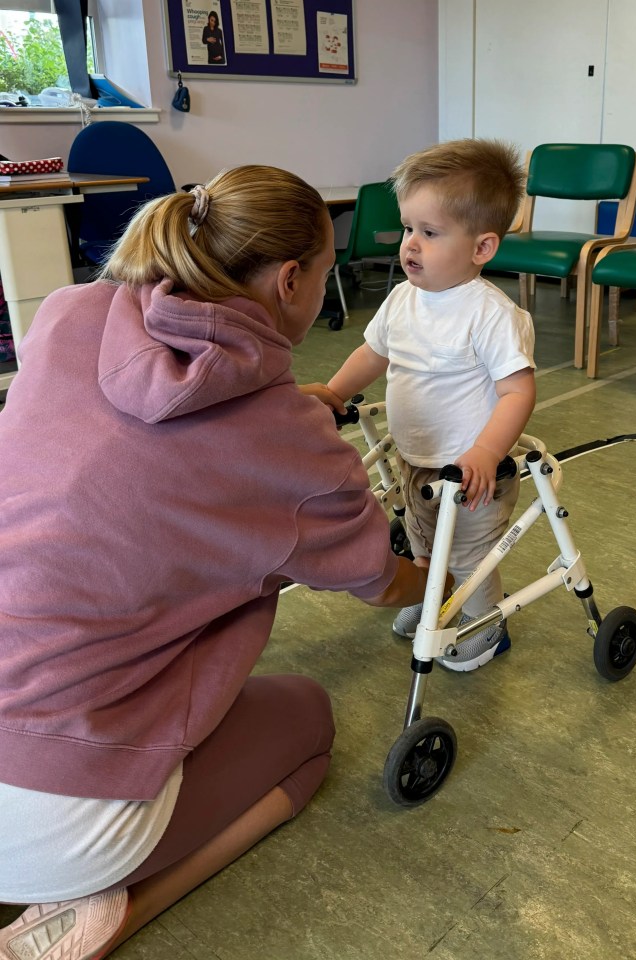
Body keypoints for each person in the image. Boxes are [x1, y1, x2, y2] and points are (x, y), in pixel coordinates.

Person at [0, 166, 442, 960]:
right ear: (291, 279)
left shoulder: (69, 315)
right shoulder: (297, 451)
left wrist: (288, 410)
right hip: (49, 814)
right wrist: (438, 582)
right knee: (306, 719)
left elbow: (157, 435)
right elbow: (379, 582)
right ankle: (110, 914)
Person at [303, 139, 536, 672]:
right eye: (409, 228)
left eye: (429, 234)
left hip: (473, 472)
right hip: (415, 461)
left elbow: (518, 391)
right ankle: (435, 603)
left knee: (470, 558)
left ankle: (485, 625)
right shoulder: (403, 296)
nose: (410, 245)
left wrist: (485, 450)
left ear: (481, 248)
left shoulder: (490, 314)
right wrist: (336, 392)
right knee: (423, 541)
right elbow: (373, 351)